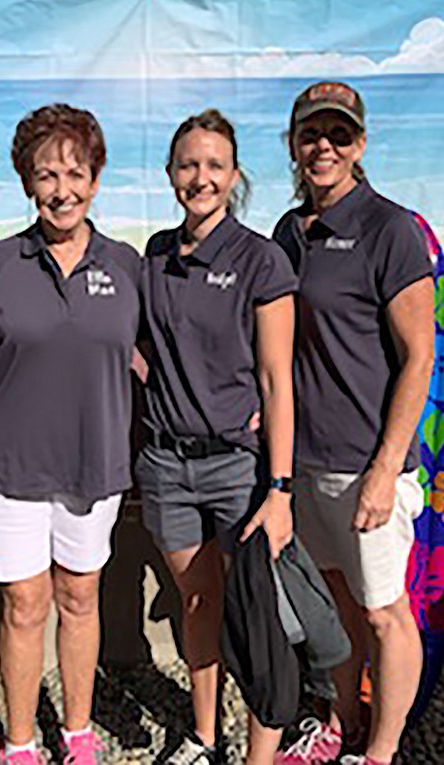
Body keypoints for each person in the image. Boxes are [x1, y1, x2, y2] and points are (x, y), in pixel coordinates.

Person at [0, 104, 141, 765]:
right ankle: (20, 739)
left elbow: (159, 356)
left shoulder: (126, 266)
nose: (61, 188)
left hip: (95, 461)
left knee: (80, 593)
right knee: (25, 602)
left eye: (74, 172)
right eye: (45, 174)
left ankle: (79, 731)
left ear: (96, 180)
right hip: (9, 466)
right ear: (26, 183)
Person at [271, 83, 434, 765]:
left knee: (383, 612)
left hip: (367, 465)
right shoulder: (288, 230)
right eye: (312, 135)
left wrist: (385, 467)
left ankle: (382, 751)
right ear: (293, 145)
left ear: (360, 145)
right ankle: (338, 723)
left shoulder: (388, 227)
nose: (324, 147)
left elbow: (419, 355)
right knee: (331, 609)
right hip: (305, 463)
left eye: (339, 135)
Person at [136, 109, 298, 765]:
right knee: (198, 602)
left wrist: (280, 487)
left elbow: (276, 378)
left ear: (233, 176)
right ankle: (205, 736)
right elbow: (139, 340)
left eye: (214, 165)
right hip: (166, 464)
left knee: (256, 611)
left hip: (240, 467)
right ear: (172, 173)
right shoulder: (153, 254)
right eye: (188, 164)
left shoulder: (261, 258)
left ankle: (261, 750)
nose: (200, 177)